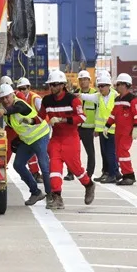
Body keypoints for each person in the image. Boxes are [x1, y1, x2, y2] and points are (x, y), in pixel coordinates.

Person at [39, 70, 96, 208]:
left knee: (75, 168)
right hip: (56, 139)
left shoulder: (73, 99)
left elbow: (82, 117)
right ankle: (57, 197)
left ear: (62, 85)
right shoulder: (47, 101)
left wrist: (62, 119)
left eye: (54, 85)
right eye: (50, 85)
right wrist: (28, 120)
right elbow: (40, 116)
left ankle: (89, 185)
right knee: (54, 168)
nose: (51, 87)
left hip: (71, 138)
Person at [0, 83, 52, 206]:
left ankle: (51, 196)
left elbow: (17, 109)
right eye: (2, 98)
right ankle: (36, 192)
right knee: (18, 165)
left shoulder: (20, 103)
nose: (5, 100)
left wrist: (4, 111)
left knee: (44, 166)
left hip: (40, 136)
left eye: (7, 97)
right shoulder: (2, 106)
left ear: (13, 95)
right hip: (27, 140)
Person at [77, 72, 120, 183]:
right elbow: (86, 96)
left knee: (111, 153)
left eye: (102, 86)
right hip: (102, 130)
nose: (100, 88)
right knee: (105, 153)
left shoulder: (115, 96)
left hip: (113, 130)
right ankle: (109, 173)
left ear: (108, 86)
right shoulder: (98, 96)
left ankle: (113, 174)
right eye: (99, 86)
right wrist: (77, 95)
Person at [105, 73, 137, 186]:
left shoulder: (132, 100)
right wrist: (107, 126)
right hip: (118, 131)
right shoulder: (117, 99)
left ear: (125, 85)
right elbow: (113, 115)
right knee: (119, 153)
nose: (117, 86)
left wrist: (136, 127)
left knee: (123, 151)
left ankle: (129, 175)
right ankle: (126, 175)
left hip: (127, 131)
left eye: (119, 84)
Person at [16, 77, 44, 181]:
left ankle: (45, 174)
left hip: (38, 129)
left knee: (41, 154)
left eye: (24, 88)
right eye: (20, 89)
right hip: (28, 131)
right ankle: (35, 173)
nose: (22, 91)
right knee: (30, 155)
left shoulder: (35, 98)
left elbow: (43, 114)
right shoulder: (18, 99)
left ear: (29, 88)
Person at [74, 70, 98, 180]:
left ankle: (89, 173)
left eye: (85, 79)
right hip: (76, 127)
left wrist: (97, 127)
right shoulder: (75, 93)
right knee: (72, 151)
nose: (83, 82)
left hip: (89, 128)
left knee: (90, 152)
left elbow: (99, 112)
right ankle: (71, 172)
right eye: (81, 79)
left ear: (89, 81)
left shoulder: (95, 94)